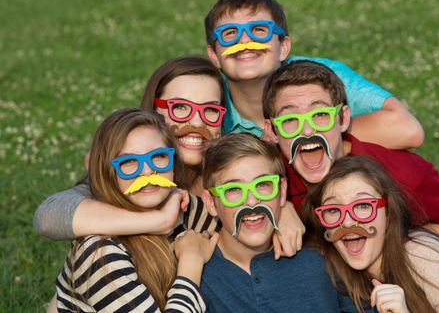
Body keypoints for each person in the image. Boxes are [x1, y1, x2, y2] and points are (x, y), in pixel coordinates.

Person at [34, 56, 303, 255]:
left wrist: (283, 207)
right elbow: (48, 216)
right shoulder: (135, 174)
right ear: (153, 111)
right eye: (180, 108)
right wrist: (157, 221)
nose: (196, 122)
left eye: (210, 110)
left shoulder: (227, 168)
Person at [262, 60, 439, 276]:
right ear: (272, 131)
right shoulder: (274, 173)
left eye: (320, 115)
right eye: (290, 120)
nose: (307, 131)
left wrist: (398, 247)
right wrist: (279, 209)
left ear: (343, 118)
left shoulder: (397, 172)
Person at [204, 0, 424, 149]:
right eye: (229, 33)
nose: (244, 41)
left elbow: (407, 129)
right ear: (214, 55)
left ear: (283, 47)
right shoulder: (206, 97)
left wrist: (299, 134)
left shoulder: (319, 75)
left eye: (259, 30)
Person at [302, 154, 439, 313]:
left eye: (363, 206)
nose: (348, 221)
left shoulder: (420, 253)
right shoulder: (334, 266)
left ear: (388, 213)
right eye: (333, 210)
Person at [55, 108, 218, 312]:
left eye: (158, 156)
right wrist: (191, 261)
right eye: (128, 162)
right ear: (107, 173)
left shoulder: (184, 206)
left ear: (173, 162)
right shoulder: (100, 254)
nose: (148, 171)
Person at [199, 133, 370, 312]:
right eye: (233, 189)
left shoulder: (323, 261)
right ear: (211, 202)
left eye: (263, 184)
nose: (251, 202)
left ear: (282, 191)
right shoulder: (196, 273)